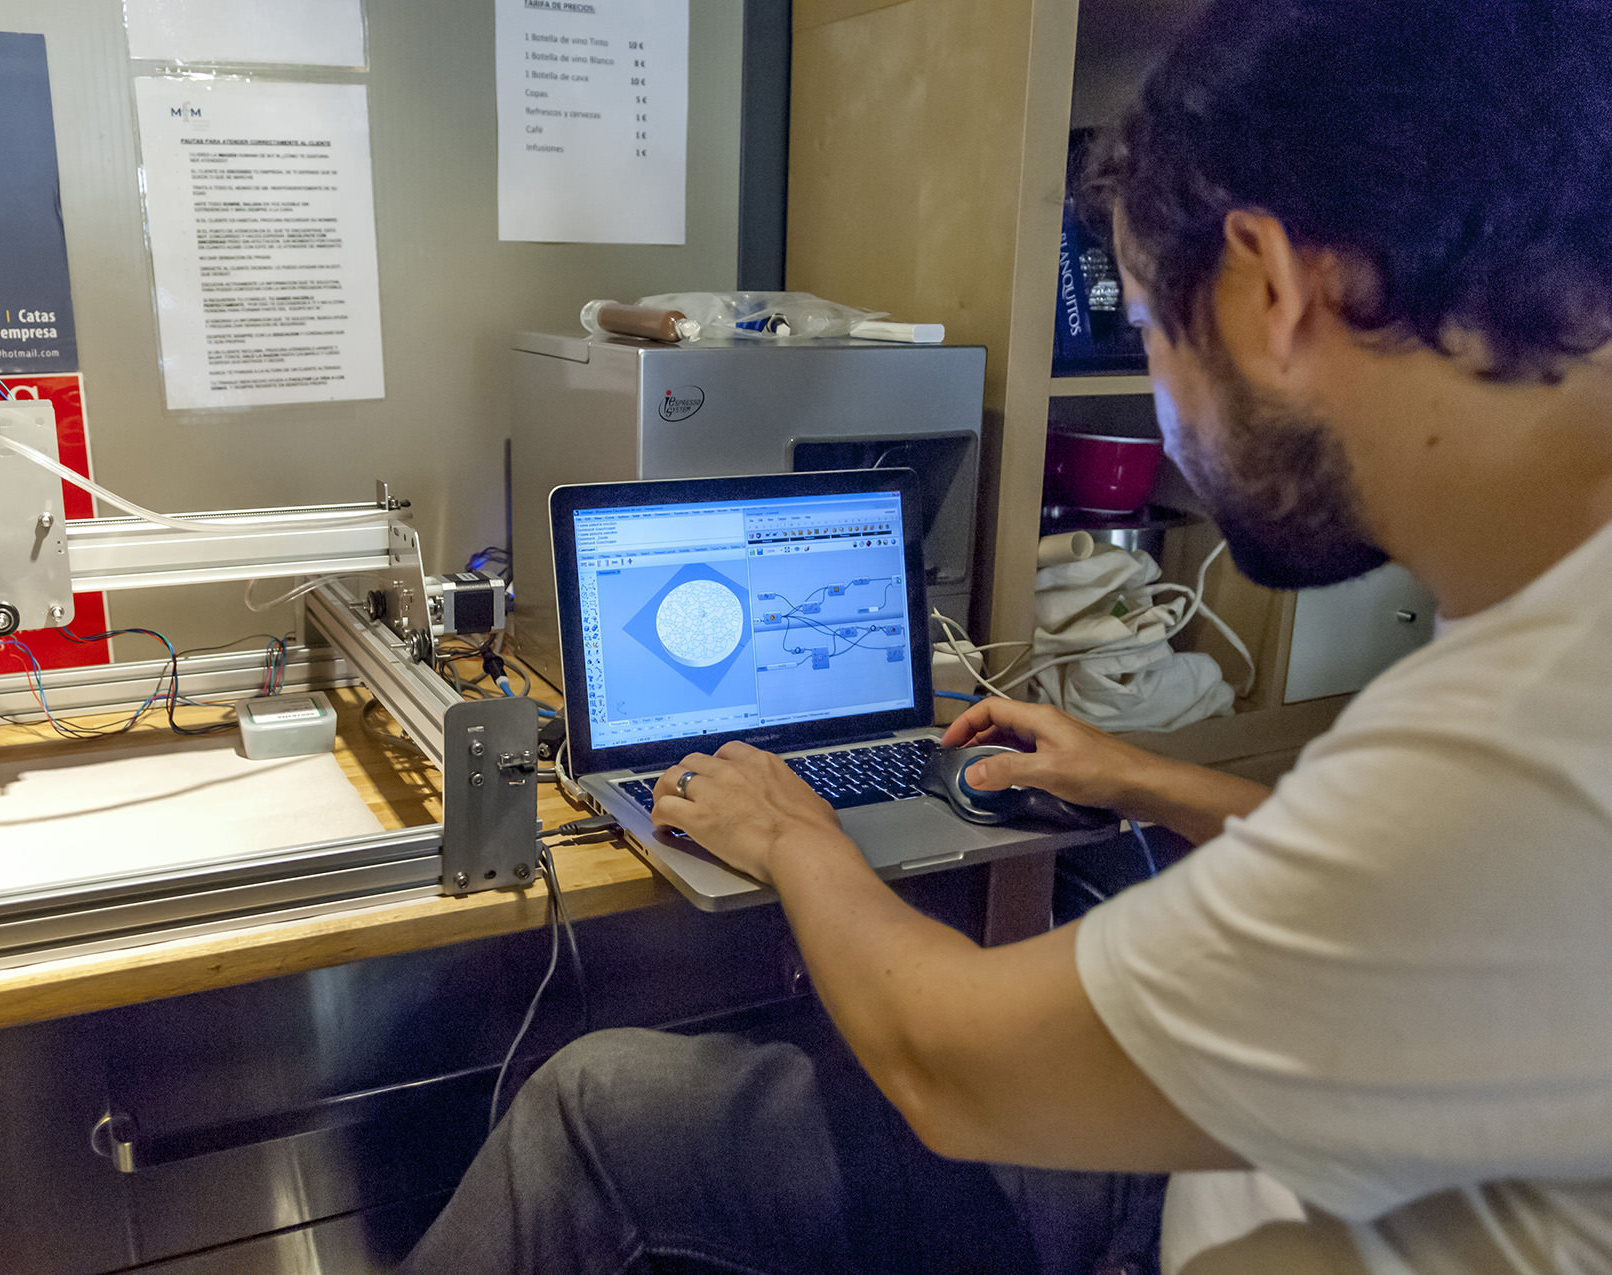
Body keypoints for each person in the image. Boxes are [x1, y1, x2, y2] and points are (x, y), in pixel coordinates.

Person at [403, 0, 1612, 1270]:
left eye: (1147, 330)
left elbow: (949, 1068)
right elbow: (1413, 898)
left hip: (1169, 1214)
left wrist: (796, 835)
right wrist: (1148, 780)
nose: (1166, 406)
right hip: (1218, 1164)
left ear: (1269, 289)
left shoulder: (1522, 745)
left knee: (590, 1107)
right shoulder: (1540, 678)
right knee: (612, 1103)